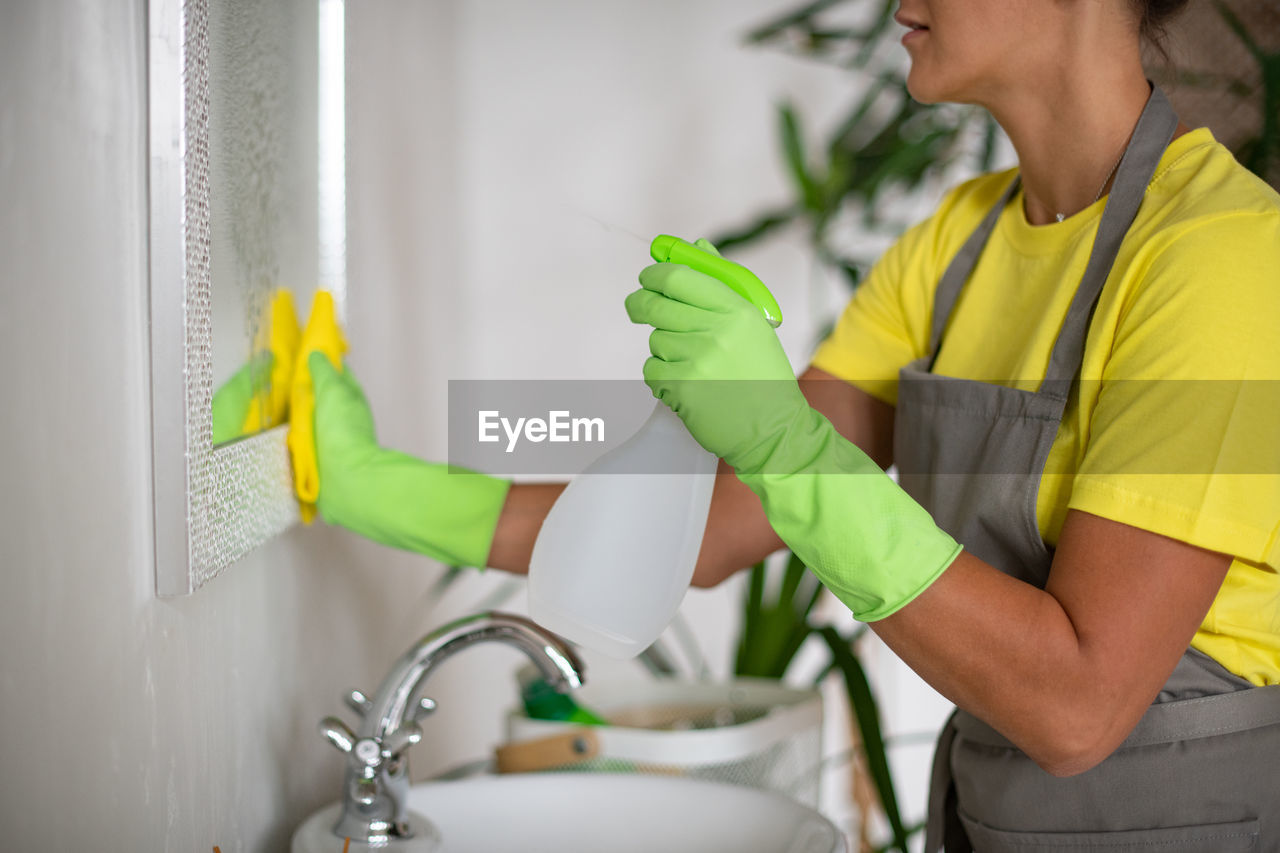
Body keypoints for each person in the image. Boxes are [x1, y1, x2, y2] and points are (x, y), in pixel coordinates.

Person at [308, 0, 1280, 846]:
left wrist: (785, 441)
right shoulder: (951, 250)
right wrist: (371, 484)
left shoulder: (1218, 262)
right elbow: (711, 525)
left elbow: (1075, 706)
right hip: (997, 820)